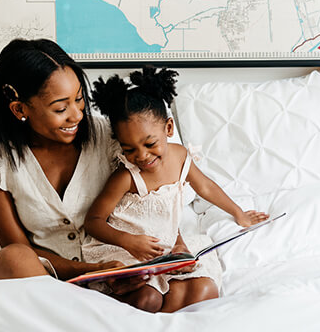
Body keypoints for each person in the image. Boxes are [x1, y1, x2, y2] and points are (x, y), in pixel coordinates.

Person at [82, 67, 269, 313]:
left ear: (168, 129)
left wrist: (239, 213)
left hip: (163, 248)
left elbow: (205, 187)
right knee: (147, 300)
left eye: (150, 144)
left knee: (206, 290)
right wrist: (128, 242)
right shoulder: (126, 176)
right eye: (129, 149)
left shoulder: (180, 156)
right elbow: (93, 221)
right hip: (125, 248)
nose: (141, 156)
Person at [0, 38, 145, 297]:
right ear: (19, 109)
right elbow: (17, 247)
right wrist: (90, 270)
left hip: (112, 271)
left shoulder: (108, 136)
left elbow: (161, 175)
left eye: (79, 99)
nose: (76, 115)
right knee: (13, 257)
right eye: (61, 108)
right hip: (40, 281)